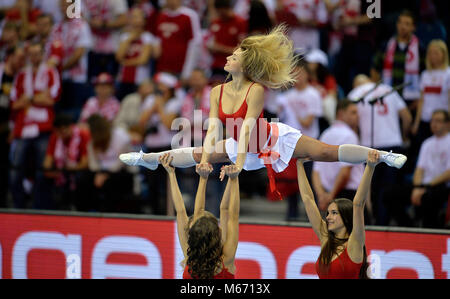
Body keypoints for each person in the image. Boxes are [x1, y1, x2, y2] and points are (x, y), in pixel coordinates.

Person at [120, 26, 407, 201]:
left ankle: (383, 155)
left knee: (326, 152)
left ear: (243, 67)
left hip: (269, 140)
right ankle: (147, 159)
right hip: (240, 146)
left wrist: (239, 164)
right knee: (195, 152)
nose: (229, 57)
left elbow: (247, 128)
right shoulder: (216, 91)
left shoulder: (255, 90)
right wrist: (207, 160)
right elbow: (213, 131)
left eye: (234, 56)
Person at [296, 150, 381, 279]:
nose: (328, 217)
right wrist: (299, 165)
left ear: (346, 217)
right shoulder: (326, 240)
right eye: (328, 213)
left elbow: (358, 203)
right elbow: (308, 200)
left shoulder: (355, 243)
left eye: (334, 213)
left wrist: (370, 167)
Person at [159, 153, 239, 279]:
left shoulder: (190, 257)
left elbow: (182, 211)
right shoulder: (226, 260)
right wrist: (233, 178)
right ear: (218, 233)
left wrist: (171, 173)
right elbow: (229, 213)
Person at [348, 74, 412, 225]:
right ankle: (388, 222)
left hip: (369, 147)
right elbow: (407, 117)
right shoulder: (388, 90)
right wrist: (403, 137)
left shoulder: (355, 94)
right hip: (393, 144)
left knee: (372, 188)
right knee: (390, 189)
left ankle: (376, 223)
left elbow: (352, 121)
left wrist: (357, 137)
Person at [9, 42, 61, 209]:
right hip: (23, 128)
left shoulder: (50, 72)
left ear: (43, 54)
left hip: (43, 129)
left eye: (37, 53)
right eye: (31, 54)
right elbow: (14, 103)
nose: (34, 57)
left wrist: (29, 99)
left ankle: (41, 207)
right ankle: (18, 206)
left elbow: (52, 98)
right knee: (15, 169)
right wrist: (39, 97)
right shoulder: (22, 75)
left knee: (43, 169)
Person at [312, 100, 365, 214]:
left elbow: (316, 171)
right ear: (341, 114)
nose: (357, 116)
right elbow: (345, 172)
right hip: (348, 195)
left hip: (330, 194)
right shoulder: (349, 136)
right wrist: (330, 196)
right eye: (353, 112)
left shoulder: (325, 134)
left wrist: (321, 196)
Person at [371, 10, 424, 109]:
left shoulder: (419, 48)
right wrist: (378, 90)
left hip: (411, 100)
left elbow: (424, 74)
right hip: (388, 97)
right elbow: (374, 68)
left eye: (407, 24)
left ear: (414, 27)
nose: (402, 27)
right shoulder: (386, 45)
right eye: (400, 22)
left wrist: (418, 100)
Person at [412, 40, 450, 150]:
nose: (433, 56)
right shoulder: (425, 74)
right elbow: (421, 100)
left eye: (436, 53)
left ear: (444, 54)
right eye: (431, 53)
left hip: (441, 119)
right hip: (425, 119)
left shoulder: (448, 73)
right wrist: (416, 123)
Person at [115, 7, 156, 100]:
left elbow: (143, 60)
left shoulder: (148, 37)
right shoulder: (124, 36)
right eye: (132, 17)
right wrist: (131, 38)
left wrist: (125, 62)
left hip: (140, 80)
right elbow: (118, 57)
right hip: (123, 78)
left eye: (137, 17)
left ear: (144, 20)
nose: (134, 19)